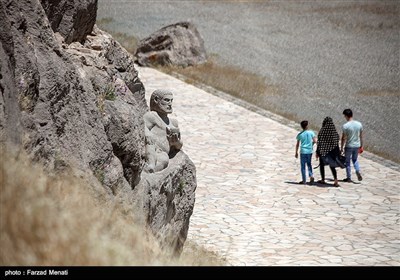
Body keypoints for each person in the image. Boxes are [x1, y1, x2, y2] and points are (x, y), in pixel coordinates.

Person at [144, 89, 183, 173]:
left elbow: (179, 145)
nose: (170, 103)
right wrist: (148, 134)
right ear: (156, 100)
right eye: (166, 100)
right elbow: (142, 125)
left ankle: (151, 170)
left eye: (171, 100)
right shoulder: (152, 116)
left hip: (162, 152)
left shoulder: (173, 123)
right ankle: (150, 164)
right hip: (152, 147)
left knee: (164, 159)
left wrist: (176, 143)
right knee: (151, 144)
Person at [316, 117, 340, 187]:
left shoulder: (322, 131)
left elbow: (319, 142)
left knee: (321, 165)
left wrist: (317, 151)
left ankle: (323, 179)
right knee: (332, 166)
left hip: (323, 151)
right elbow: (337, 141)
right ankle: (336, 180)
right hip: (332, 152)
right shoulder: (334, 132)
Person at [340, 109, 363, 182]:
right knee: (355, 159)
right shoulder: (359, 124)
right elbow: (361, 136)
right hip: (357, 145)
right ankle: (357, 170)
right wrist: (361, 146)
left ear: (346, 116)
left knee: (347, 162)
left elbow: (343, 138)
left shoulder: (345, 126)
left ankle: (349, 177)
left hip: (349, 145)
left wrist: (341, 147)